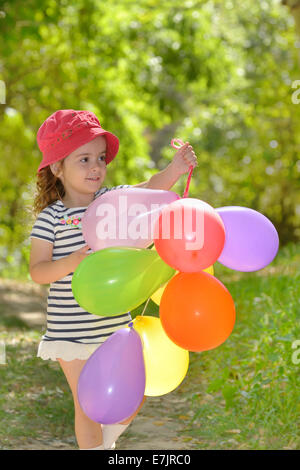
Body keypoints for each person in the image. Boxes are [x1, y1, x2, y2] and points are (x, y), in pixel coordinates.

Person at [29, 109, 197, 450]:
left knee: (133, 394)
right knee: (87, 404)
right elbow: (38, 271)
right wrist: (72, 262)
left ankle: (105, 446)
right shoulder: (52, 218)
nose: (96, 167)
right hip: (71, 331)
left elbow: (150, 189)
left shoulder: (110, 203)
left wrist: (175, 170)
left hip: (113, 324)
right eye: (84, 159)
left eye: (101, 158)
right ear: (57, 167)